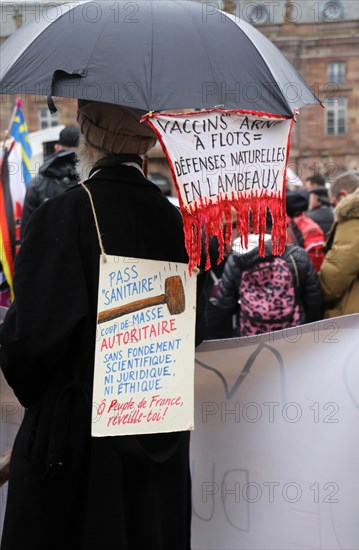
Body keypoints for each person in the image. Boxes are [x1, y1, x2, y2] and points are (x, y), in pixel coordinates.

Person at [0, 100, 205, 550]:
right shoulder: (178, 223)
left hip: (74, 439)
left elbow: (29, 340)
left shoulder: (64, 213)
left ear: (88, 143)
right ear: (144, 149)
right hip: (157, 432)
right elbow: (195, 328)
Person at [216, 214, 323, 336]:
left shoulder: (236, 258)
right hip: (292, 334)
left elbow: (225, 305)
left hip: (250, 336)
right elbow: (314, 301)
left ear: (250, 226)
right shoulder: (298, 256)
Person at [319, 172, 359, 318]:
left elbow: (335, 276)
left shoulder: (352, 220)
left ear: (343, 195)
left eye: (334, 204)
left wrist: (315, 293)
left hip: (357, 316)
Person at [21, 125, 80, 237]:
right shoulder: (93, 180)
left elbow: (27, 230)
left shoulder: (37, 183)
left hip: (45, 249)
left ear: (57, 147)